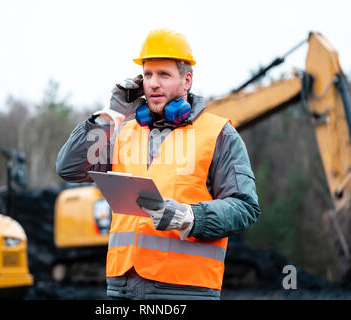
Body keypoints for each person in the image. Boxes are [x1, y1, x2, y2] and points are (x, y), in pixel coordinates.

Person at [56, 28, 261, 300]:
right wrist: (110, 115)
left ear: (187, 81)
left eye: (163, 75)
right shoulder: (123, 131)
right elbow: (69, 167)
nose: (153, 83)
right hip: (122, 289)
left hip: (185, 291)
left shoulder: (219, 134)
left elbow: (245, 207)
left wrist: (190, 217)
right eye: (148, 74)